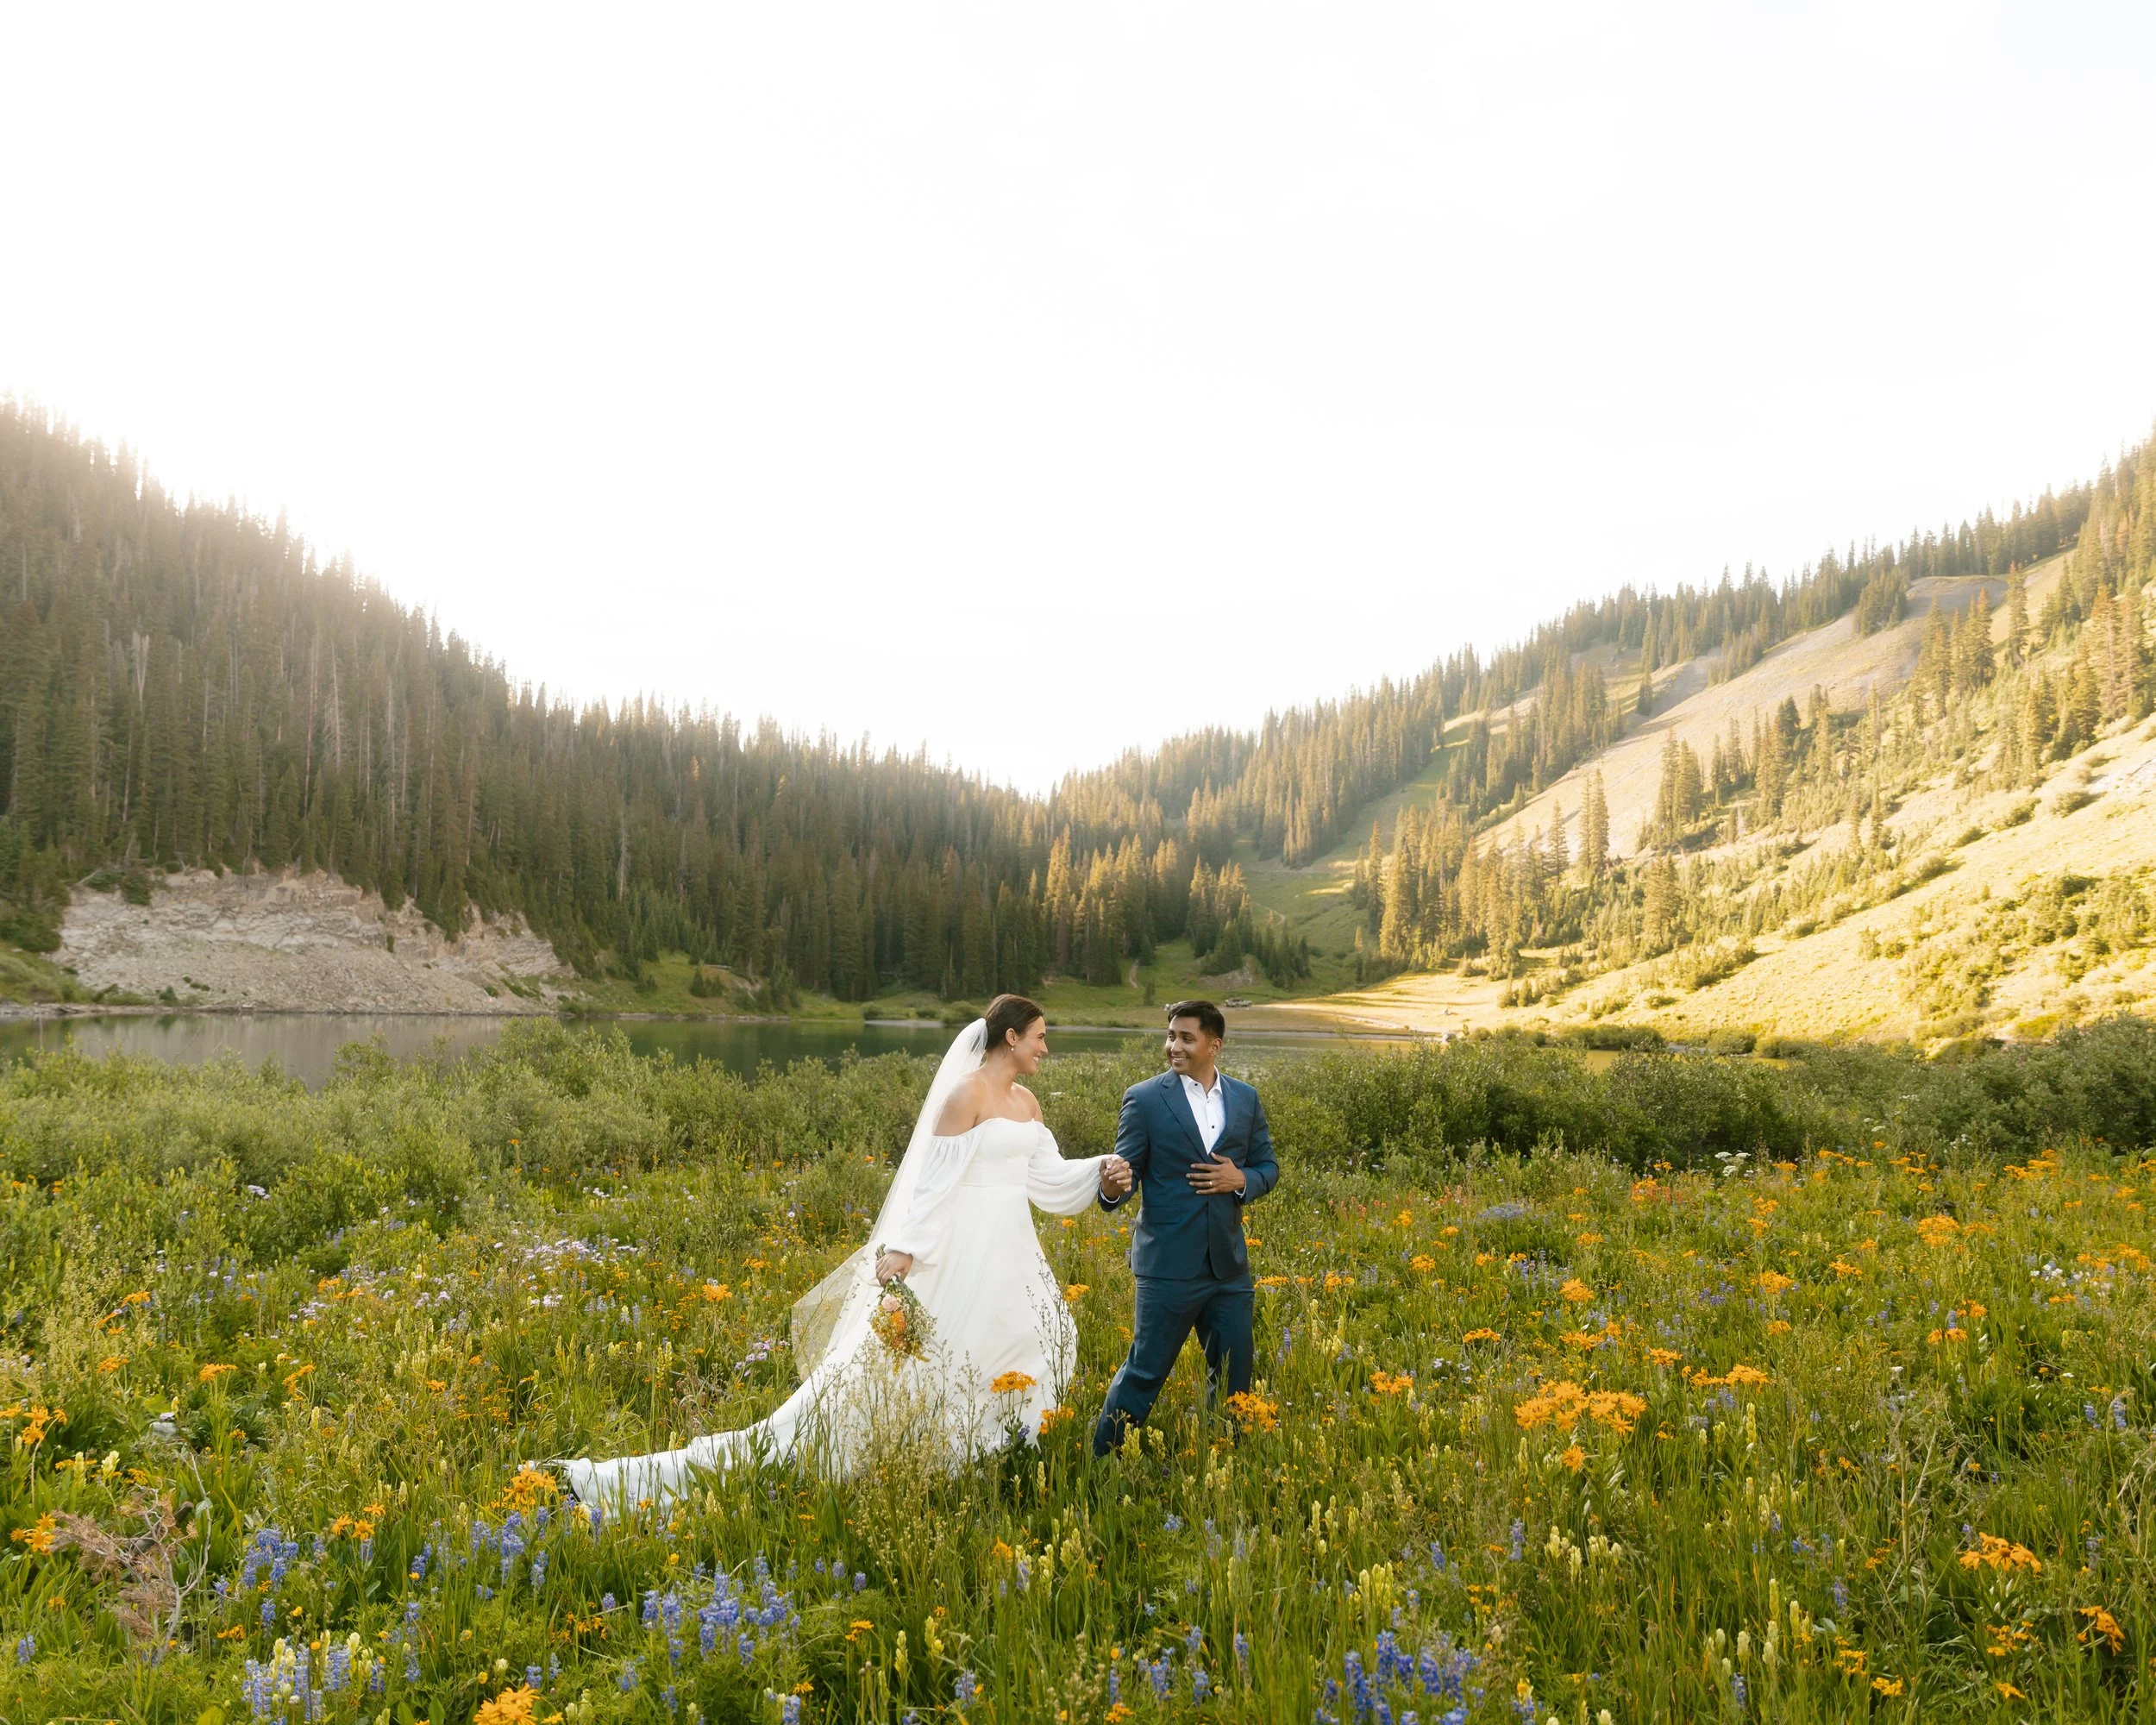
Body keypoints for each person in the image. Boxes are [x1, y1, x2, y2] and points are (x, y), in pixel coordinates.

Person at [561, 994, 1123, 1505]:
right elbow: (930, 1183)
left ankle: (995, 1458)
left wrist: (1101, 1171)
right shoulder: (965, 1094)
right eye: (1040, 1037)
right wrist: (904, 1248)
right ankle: (904, 1455)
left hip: (1011, 1248)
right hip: (959, 1246)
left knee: (1041, 1338)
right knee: (920, 1361)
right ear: (1011, 1038)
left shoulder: (1027, 1103)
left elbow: (1047, 1175)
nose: (1046, 1048)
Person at [1091, 999, 1278, 1457]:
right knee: (1145, 1372)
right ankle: (1101, 1464)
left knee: (1235, 1375)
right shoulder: (1145, 1098)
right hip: (1167, 1266)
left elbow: (1268, 1167)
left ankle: (1229, 1462)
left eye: (1186, 1037)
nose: (1173, 1046)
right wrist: (1114, 1188)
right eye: (1171, 1035)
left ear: (1214, 1045)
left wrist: (1243, 1181)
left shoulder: (1246, 1098)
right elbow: (1124, 1176)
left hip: (1229, 1268)